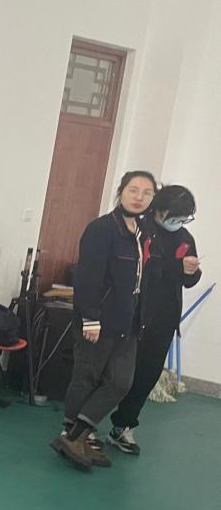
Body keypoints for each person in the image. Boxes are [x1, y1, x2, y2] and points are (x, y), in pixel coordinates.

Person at [51, 171, 156, 470]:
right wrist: (90, 318)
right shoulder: (102, 229)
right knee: (86, 378)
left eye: (146, 193)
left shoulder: (143, 232)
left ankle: (76, 436)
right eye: (133, 190)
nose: (139, 197)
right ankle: (73, 435)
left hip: (128, 322)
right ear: (121, 191)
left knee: (120, 382)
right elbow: (88, 277)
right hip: (99, 320)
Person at [107, 185, 202, 454]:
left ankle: (123, 426)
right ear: (159, 209)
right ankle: (83, 425)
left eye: (184, 218)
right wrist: (176, 267)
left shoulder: (185, 237)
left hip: (164, 319)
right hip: (132, 313)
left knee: (146, 376)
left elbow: (188, 280)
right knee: (113, 373)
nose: (179, 222)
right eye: (175, 216)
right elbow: (140, 268)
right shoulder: (139, 229)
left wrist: (192, 272)